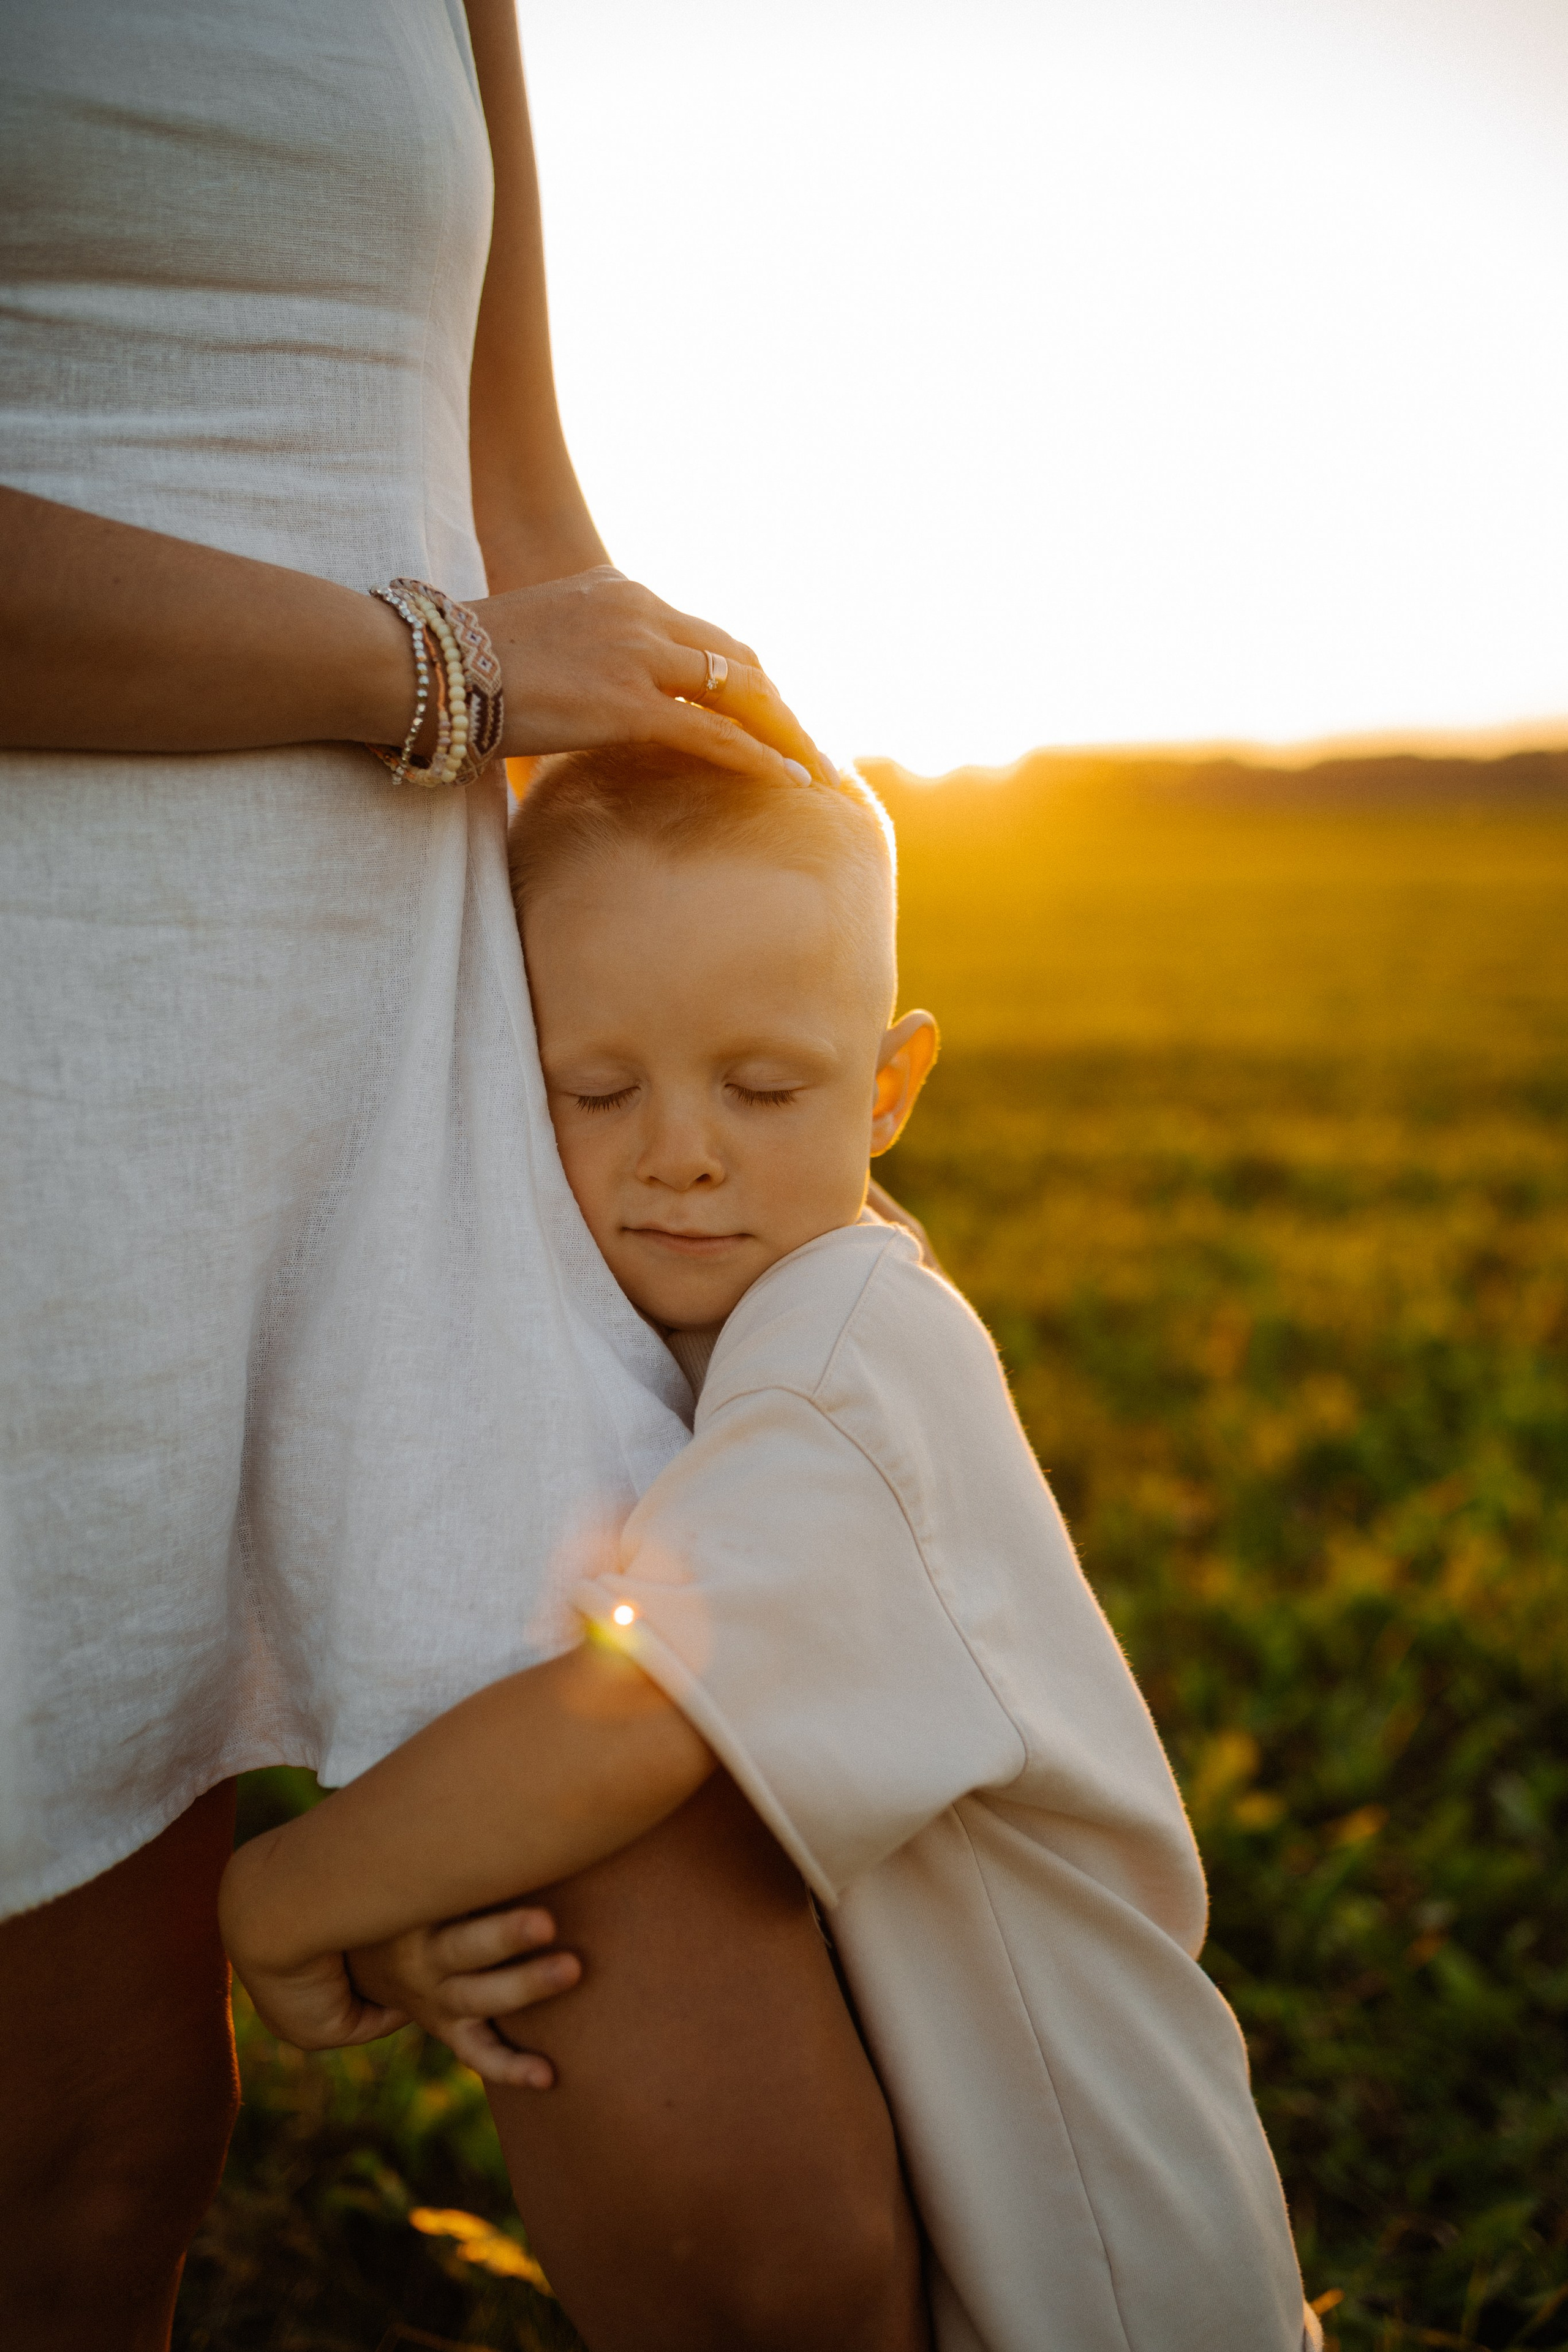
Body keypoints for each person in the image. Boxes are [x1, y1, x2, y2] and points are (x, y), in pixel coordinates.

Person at [0, 6, 903, 2343]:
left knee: (770, 2222)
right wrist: (445, 674)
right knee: (80, 2180)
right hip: (47, 1084)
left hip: (431, 1061)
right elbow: (489, 636)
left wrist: (727, 1015)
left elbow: (529, 524)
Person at [221, 747, 1321, 2352]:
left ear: (889, 1088)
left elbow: (634, 1724)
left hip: (1096, 2276)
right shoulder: (745, 1336)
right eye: (595, 1091)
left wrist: (282, 1897)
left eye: (765, 1089)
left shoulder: (843, 1352)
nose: (682, 1153)